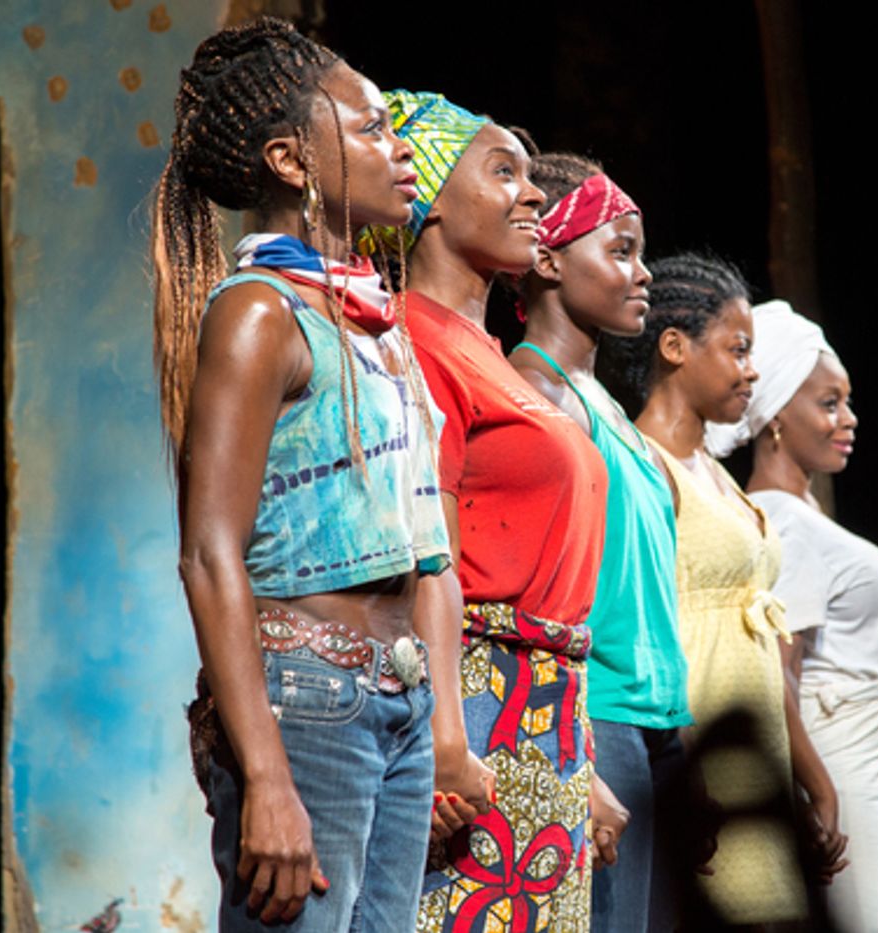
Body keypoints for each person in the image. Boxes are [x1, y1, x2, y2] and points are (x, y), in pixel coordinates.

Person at [150, 21, 488, 931]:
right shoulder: (259, 314)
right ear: (292, 160)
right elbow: (210, 553)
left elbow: (422, 550)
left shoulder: (366, 318)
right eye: (374, 128)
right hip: (306, 700)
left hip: (397, 695)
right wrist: (263, 774)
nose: (400, 147)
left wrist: (433, 714)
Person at [359, 92, 625, 932]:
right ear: (430, 199)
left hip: (542, 700)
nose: (534, 195)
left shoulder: (486, 355)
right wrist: (443, 738)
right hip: (468, 694)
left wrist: (579, 764)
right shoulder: (415, 342)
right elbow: (412, 557)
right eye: (502, 171)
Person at [599, 255, 847, 926]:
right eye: (737, 350)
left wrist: (808, 773)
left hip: (750, 747)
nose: (751, 371)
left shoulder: (714, 471)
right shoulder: (637, 462)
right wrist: (686, 768)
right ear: (675, 347)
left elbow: (760, 635)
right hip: (694, 745)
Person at [508, 153, 692, 932]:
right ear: (547, 259)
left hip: (655, 722)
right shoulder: (536, 391)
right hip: (597, 718)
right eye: (619, 251)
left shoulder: (602, 403)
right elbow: (529, 595)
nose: (642, 273)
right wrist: (568, 751)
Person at [707, 300, 878, 932]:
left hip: (870, 764)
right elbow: (781, 676)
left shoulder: (800, 515)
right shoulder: (781, 522)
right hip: (845, 767)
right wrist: (819, 789)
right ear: (776, 415)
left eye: (846, 402)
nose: (848, 419)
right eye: (829, 404)